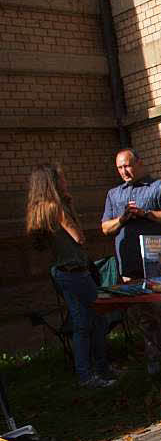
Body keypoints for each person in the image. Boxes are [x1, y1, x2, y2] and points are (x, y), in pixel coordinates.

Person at [26, 164, 114, 388]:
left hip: (62, 272)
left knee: (83, 322)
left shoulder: (40, 209)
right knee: (94, 320)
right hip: (75, 272)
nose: (66, 183)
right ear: (53, 183)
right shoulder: (57, 208)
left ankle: (93, 371)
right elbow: (79, 238)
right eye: (62, 180)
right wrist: (71, 209)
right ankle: (93, 372)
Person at [100, 147, 161, 373]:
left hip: (159, 262)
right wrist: (123, 218)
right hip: (131, 264)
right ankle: (154, 360)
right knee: (145, 316)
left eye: (127, 165)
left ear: (139, 163)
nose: (124, 171)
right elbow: (106, 227)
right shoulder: (114, 194)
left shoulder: (160, 187)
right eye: (119, 168)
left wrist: (147, 214)